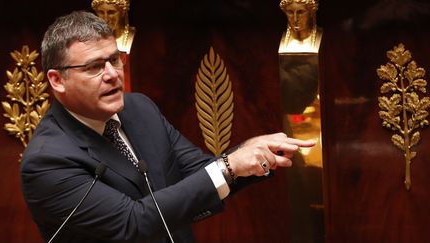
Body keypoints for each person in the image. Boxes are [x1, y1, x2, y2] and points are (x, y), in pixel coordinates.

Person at [20, 11, 315, 243]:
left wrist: (256, 153)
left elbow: (202, 173)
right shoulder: (48, 161)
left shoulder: (139, 110)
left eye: (114, 60)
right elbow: (132, 223)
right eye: (94, 67)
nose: (112, 74)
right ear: (57, 80)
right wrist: (231, 164)